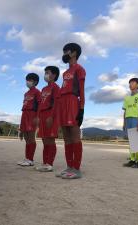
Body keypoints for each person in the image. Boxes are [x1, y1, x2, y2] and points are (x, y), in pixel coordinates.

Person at [55, 43, 86, 179]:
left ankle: (77, 169)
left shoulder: (79, 69)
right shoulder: (65, 73)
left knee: (74, 136)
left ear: (74, 53)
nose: (64, 53)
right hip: (63, 102)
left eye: (66, 51)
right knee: (66, 137)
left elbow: (82, 91)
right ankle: (69, 167)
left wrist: (81, 109)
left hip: (73, 101)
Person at [35, 66, 60, 172]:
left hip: (51, 114)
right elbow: (40, 104)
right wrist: (38, 116)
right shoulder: (44, 89)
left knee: (50, 140)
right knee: (44, 140)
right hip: (43, 115)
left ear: (54, 75)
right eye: (45, 72)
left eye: (48, 72)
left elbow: (56, 103)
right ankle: (45, 162)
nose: (45, 75)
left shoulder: (55, 87)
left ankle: (50, 163)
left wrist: (52, 116)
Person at [17, 73, 41, 167]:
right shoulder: (26, 93)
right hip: (25, 114)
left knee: (31, 138)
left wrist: (37, 117)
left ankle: (31, 159)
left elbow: (39, 105)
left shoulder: (37, 92)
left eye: (29, 80)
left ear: (35, 82)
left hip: (32, 115)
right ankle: (27, 158)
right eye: (27, 80)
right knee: (26, 138)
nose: (27, 82)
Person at [122, 78, 138, 169]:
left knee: (137, 140)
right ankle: (132, 160)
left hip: (136, 119)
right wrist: (124, 123)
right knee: (131, 141)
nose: (130, 84)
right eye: (130, 83)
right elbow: (125, 111)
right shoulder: (126, 98)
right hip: (128, 119)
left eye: (132, 83)